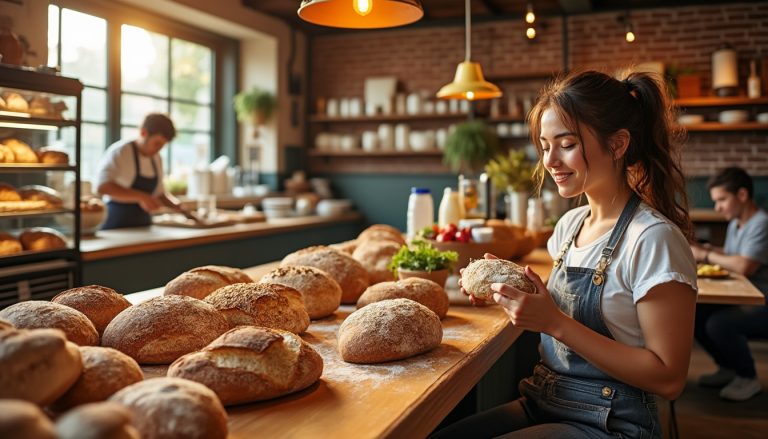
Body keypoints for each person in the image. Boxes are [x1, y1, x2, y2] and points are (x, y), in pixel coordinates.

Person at [433, 70, 698, 439]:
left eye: (567, 144)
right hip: (545, 399)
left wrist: (553, 321)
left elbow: (669, 378)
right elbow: (567, 315)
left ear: (618, 144)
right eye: (544, 145)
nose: (550, 160)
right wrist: (513, 296)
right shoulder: (569, 226)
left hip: (615, 423)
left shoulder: (654, 239)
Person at [690, 166, 768, 401]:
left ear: (742, 195)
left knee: (719, 323)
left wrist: (703, 255)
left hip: (762, 300)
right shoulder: (737, 223)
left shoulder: (761, 223)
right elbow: (733, 254)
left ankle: (748, 377)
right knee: (694, 313)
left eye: (722, 200)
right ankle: (728, 368)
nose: (717, 207)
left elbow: (744, 265)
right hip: (748, 296)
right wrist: (706, 248)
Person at [96, 113, 185, 229]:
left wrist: (176, 205)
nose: (159, 149)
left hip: (144, 225)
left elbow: (159, 193)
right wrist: (142, 197)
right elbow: (102, 186)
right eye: (157, 143)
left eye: (162, 146)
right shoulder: (120, 152)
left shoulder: (157, 158)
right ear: (143, 133)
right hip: (116, 223)